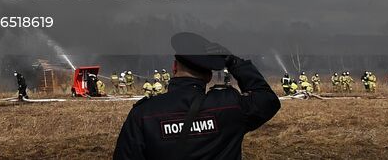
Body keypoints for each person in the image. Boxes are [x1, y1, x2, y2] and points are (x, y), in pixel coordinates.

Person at [112, 32, 280, 160]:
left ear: (174, 67)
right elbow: (268, 99)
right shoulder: (230, 106)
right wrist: (234, 62)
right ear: (208, 76)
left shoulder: (144, 114)